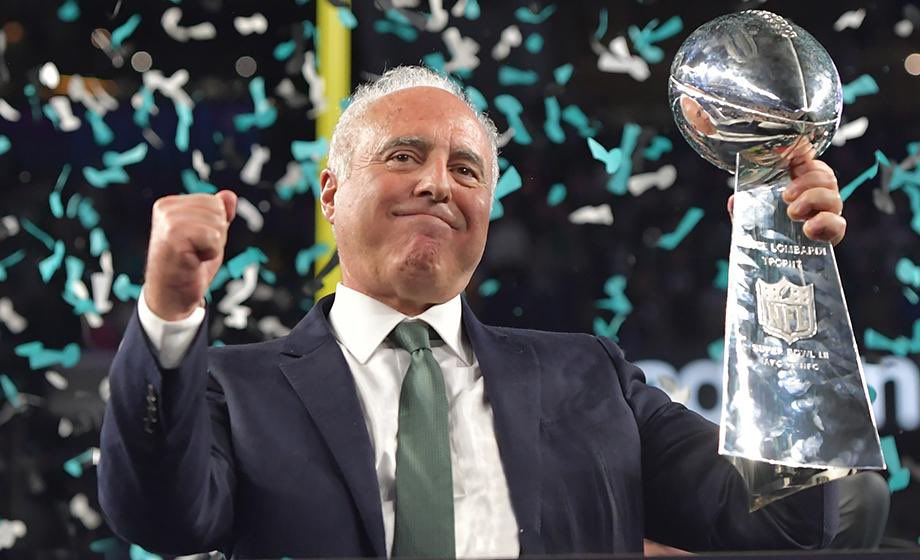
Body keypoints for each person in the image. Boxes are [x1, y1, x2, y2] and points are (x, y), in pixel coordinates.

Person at [98, 66, 849, 558]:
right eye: (403, 156)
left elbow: (791, 520)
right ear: (331, 193)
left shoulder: (594, 377)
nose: (438, 184)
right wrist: (169, 311)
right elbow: (158, 517)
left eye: (466, 169)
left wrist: (786, 270)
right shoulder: (235, 389)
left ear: (487, 208)